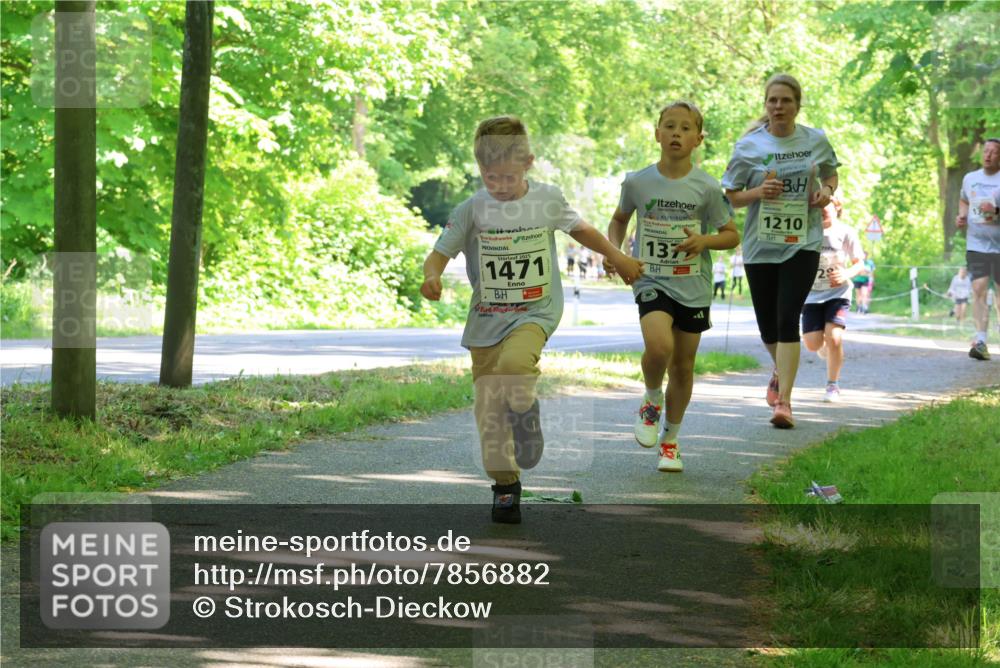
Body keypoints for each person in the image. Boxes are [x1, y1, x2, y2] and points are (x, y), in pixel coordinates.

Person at [421, 115, 643, 522]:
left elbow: (584, 232)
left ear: (529, 163)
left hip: (535, 311)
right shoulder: (472, 209)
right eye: (491, 178)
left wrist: (619, 258)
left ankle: (525, 414)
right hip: (486, 320)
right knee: (489, 412)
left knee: (515, 366)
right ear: (480, 170)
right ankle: (505, 487)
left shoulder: (547, 200)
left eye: (509, 176)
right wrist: (432, 275)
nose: (501, 186)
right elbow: (440, 252)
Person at [605, 100, 738, 472]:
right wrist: (615, 252)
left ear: (698, 138)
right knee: (659, 345)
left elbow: (731, 235)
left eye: (685, 128)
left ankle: (671, 441)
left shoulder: (708, 188)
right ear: (657, 133)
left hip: (692, 284)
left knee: (682, 365)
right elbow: (618, 220)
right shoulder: (638, 181)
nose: (676, 133)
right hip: (651, 277)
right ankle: (650, 398)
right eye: (670, 126)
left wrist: (703, 242)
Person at [722, 73, 840, 428]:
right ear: (765, 104)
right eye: (773, 100)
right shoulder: (748, 147)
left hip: (802, 242)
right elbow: (730, 196)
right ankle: (779, 370)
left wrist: (826, 192)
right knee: (768, 327)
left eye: (786, 100)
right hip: (761, 245)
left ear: (797, 105)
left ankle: (784, 403)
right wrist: (758, 193)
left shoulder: (815, 140)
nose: (779, 107)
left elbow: (831, 175)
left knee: (788, 318)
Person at [800, 198, 865, 402]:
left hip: (838, 293)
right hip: (811, 294)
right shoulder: (806, 230)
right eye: (817, 207)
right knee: (812, 344)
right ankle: (823, 345)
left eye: (826, 205)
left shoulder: (845, 232)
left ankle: (832, 385)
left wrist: (846, 274)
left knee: (834, 337)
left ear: (837, 207)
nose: (822, 210)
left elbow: (859, 263)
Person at [956, 137, 1000, 360]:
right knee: (978, 288)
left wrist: (996, 211)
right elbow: (964, 200)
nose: (988, 155)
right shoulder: (970, 178)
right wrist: (962, 215)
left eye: (993, 152)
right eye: (986, 151)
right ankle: (981, 340)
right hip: (977, 244)